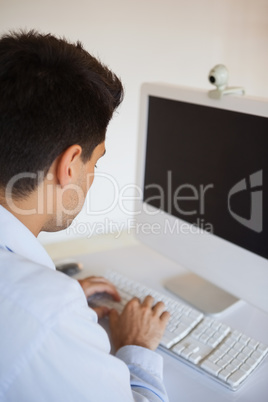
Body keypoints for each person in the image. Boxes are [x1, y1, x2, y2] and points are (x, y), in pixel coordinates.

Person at [0, 30, 170, 401]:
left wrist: (50, 308)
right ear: (71, 164)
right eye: (97, 160)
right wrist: (137, 346)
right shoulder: (46, 312)